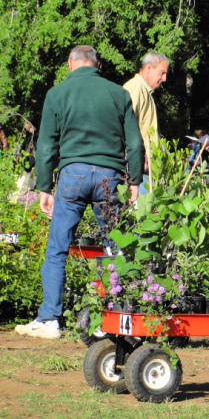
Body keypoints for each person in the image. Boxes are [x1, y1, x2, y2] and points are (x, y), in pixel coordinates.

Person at [14, 45, 143, 339]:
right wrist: (134, 182)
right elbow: (135, 143)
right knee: (116, 248)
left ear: (71, 65)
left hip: (72, 175)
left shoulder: (57, 94)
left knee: (57, 248)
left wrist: (44, 187)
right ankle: (117, 317)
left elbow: (46, 145)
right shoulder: (119, 94)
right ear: (97, 65)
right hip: (108, 178)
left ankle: (49, 319)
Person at [123, 51, 169, 193]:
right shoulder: (135, 89)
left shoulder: (145, 91)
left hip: (144, 169)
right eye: (162, 73)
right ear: (149, 68)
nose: (165, 78)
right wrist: (138, 157)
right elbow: (123, 127)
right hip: (136, 170)